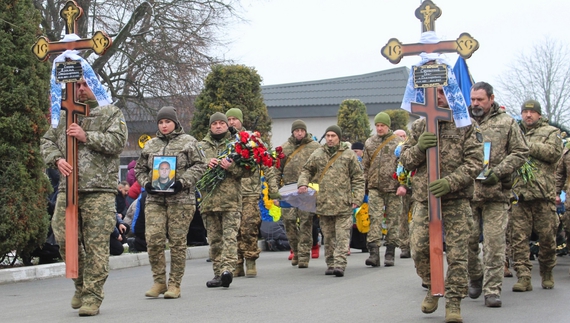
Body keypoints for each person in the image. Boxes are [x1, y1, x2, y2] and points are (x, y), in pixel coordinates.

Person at [40, 76, 128, 316]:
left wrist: (86, 136)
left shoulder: (109, 112)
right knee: (63, 238)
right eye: (76, 85)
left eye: (84, 84)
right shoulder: (64, 114)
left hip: (98, 190)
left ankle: (92, 296)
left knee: (97, 245)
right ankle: (80, 285)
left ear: (95, 85)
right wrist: (57, 159)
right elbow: (47, 141)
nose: (80, 89)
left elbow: (118, 142)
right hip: (68, 189)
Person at [399, 85, 483, 323]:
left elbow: (476, 162)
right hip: (425, 199)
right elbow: (404, 160)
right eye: (434, 92)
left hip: (455, 199)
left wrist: (450, 183)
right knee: (418, 248)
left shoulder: (466, 124)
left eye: (444, 92)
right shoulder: (419, 126)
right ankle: (433, 286)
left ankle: (454, 301)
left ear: (453, 94)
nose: (439, 97)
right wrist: (419, 148)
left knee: (458, 253)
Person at [465, 82, 529, 307]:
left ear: (491, 99)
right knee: (467, 241)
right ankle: (475, 275)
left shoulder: (506, 122)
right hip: (468, 193)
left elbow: (522, 152)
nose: (475, 104)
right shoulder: (463, 121)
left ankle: (492, 289)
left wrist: (499, 171)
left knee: (493, 243)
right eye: (473, 99)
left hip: (496, 193)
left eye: (480, 99)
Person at [135, 106, 206, 299]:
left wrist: (183, 182)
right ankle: (159, 281)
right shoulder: (150, 145)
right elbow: (139, 169)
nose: (164, 125)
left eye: (167, 122)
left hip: (181, 199)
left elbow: (201, 165)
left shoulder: (189, 142)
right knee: (154, 238)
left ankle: (174, 284)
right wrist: (146, 184)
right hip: (155, 199)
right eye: (161, 122)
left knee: (177, 241)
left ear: (175, 122)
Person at [297, 125, 365, 277]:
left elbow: (358, 178)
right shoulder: (318, 154)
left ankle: (340, 263)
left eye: (333, 135)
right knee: (328, 236)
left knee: (342, 236)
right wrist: (303, 183)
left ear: (339, 138)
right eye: (328, 135)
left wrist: (357, 198)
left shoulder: (348, 155)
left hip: (343, 203)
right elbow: (306, 170)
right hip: (324, 203)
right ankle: (330, 263)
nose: (330, 138)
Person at [510, 99, 563, 292]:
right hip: (520, 196)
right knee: (518, 239)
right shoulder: (515, 131)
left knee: (548, 238)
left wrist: (527, 145)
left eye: (531, 112)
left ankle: (547, 270)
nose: (528, 115)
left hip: (543, 195)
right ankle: (523, 277)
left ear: (539, 115)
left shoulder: (550, 132)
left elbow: (553, 154)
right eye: (524, 112)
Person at [199, 112, 252, 288]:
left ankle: (227, 270)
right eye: (215, 124)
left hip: (231, 201)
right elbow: (192, 168)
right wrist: (207, 164)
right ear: (210, 127)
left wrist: (232, 167)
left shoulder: (237, 145)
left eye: (222, 123)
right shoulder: (200, 146)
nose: (219, 126)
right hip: (209, 201)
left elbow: (249, 171)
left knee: (230, 238)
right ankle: (217, 273)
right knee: (215, 240)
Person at [269, 120, 320, 268]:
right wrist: (275, 192)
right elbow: (276, 170)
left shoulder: (315, 147)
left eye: (301, 130)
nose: (299, 133)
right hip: (288, 191)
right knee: (289, 221)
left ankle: (304, 255)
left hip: (307, 191)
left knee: (306, 222)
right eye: (296, 130)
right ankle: (295, 250)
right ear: (292, 132)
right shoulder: (284, 148)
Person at [226, 108, 265, 277]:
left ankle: (250, 260)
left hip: (250, 190)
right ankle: (236, 262)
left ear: (241, 121)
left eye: (235, 119)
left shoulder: (252, 139)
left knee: (249, 226)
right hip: (230, 191)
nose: (232, 122)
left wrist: (273, 188)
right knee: (233, 229)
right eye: (229, 119)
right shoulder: (224, 141)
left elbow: (265, 161)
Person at [362, 112, 404, 267]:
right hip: (374, 187)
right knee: (375, 218)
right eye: (377, 125)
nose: (379, 128)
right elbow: (365, 166)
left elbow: (404, 165)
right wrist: (364, 186)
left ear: (388, 126)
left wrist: (403, 185)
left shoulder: (398, 143)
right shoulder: (370, 142)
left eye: (382, 126)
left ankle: (390, 252)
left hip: (393, 187)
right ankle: (373, 253)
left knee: (393, 220)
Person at [393, 129, 413, 259]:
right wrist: (401, 184)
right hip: (402, 187)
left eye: (403, 136)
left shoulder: (411, 147)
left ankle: (416, 243)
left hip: (417, 186)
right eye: (399, 136)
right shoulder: (395, 152)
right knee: (403, 217)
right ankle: (405, 246)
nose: (402, 138)